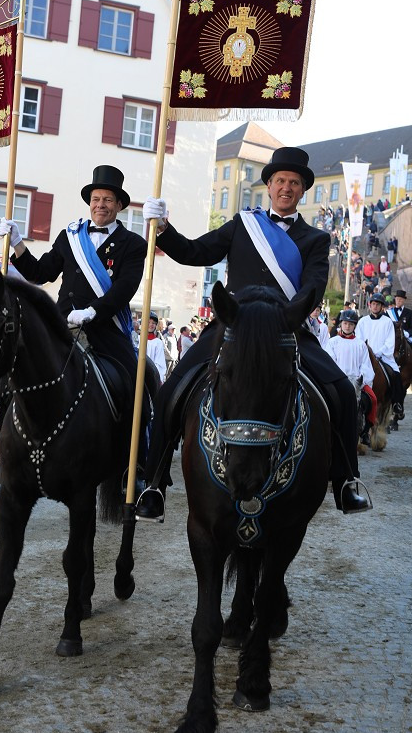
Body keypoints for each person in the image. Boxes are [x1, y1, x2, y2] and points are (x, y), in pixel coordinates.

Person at [135, 146, 371, 521]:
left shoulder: (316, 240)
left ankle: (346, 482)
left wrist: (288, 316)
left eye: (294, 183)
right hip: (234, 328)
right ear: (270, 185)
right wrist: (163, 229)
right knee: (171, 391)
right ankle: (154, 483)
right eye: (280, 180)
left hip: (284, 330)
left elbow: (313, 286)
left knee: (341, 390)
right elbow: (197, 252)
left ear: (302, 191)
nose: (286, 188)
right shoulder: (243, 224)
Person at [0, 165, 145, 386]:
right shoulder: (70, 237)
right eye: (96, 199)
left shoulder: (133, 244)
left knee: (133, 381)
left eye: (107, 199)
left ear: (119, 205)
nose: (100, 205)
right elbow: (40, 273)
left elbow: (124, 289)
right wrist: (17, 244)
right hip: (62, 325)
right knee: (20, 372)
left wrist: (93, 311)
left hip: (105, 329)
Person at [355, 293, 405, 418]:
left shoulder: (387, 322)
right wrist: (367, 353)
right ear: (369, 305)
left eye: (378, 304)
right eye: (373, 304)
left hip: (383, 356)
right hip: (365, 356)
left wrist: (379, 353)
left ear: (382, 306)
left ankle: (396, 403)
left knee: (396, 375)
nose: (375, 306)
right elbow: (359, 340)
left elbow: (389, 342)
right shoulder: (362, 321)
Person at [387, 290, 412, 380]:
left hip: (406, 336)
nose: (399, 301)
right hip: (392, 337)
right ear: (395, 299)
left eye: (401, 299)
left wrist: (408, 333)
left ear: (404, 300)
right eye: (397, 299)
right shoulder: (389, 313)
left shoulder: (409, 312)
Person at [144, 313, 167, 384]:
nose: (151, 325)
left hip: (150, 376)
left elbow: (160, 362)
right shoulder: (137, 339)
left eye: (153, 323)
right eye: (148, 322)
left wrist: (158, 378)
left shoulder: (158, 342)